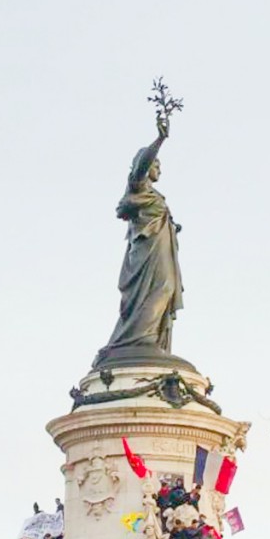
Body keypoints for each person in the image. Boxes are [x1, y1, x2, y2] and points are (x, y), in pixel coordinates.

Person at [94, 118, 184, 367]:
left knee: (166, 288)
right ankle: (138, 339)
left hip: (161, 248)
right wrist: (160, 140)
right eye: (157, 164)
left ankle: (150, 338)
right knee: (161, 288)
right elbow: (141, 165)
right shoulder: (137, 185)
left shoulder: (154, 195)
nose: (159, 169)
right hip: (146, 252)